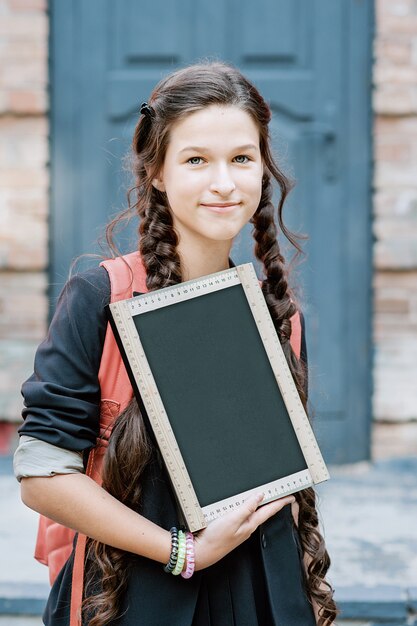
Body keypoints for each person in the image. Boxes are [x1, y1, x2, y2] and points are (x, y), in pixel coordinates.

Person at [14, 60, 338, 625]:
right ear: (157, 173)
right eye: (196, 160)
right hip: (133, 592)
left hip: (265, 591)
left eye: (242, 158)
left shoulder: (277, 311)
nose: (223, 182)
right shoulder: (100, 294)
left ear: (263, 168)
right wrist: (184, 552)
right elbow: (43, 477)